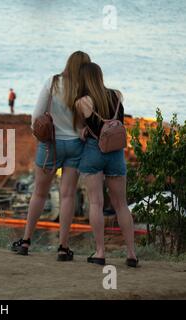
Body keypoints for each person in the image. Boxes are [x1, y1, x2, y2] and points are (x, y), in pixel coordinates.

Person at [11, 51, 91, 259]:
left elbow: (36, 115)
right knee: (67, 195)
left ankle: (26, 242)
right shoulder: (85, 88)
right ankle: (63, 248)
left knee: (39, 193)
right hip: (75, 145)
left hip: (50, 145)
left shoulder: (53, 82)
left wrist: (38, 134)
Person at [75, 62, 138, 268]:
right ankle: (131, 254)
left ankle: (100, 252)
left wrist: (83, 130)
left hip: (94, 152)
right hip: (116, 153)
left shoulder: (82, 102)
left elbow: (81, 131)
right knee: (121, 204)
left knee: (96, 203)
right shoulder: (117, 95)